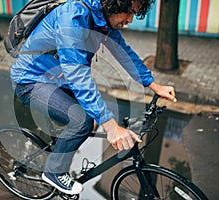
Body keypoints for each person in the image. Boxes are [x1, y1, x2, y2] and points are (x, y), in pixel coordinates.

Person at [11, 0, 177, 195]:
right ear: (117, 4)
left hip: (58, 80)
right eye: (130, 12)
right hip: (31, 81)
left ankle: (60, 148)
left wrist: (154, 86)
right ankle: (54, 172)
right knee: (81, 121)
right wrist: (111, 127)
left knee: (97, 114)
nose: (130, 20)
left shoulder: (102, 21)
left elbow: (125, 54)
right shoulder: (72, 18)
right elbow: (78, 77)